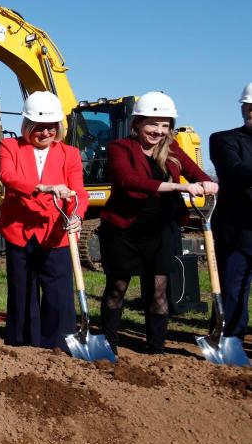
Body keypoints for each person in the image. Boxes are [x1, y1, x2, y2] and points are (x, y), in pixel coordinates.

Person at [99, 91, 217, 354]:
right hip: (124, 228)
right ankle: (109, 343)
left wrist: (208, 183)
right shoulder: (120, 148)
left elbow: (195, 172)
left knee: (159, 290)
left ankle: (156, 348)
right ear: (138, 123)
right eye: (153, 124)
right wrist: (176, 187)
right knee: (117, 287)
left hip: (160, 229)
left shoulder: (172, 149)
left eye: (165, 125)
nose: (159, 131)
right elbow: (129, 183)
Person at [0, 91, 87, 348]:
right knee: (22, 290)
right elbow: (8, 177)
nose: (45, 133)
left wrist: (77, 216)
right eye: (39, 127)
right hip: (19, 230)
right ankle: (23, 342)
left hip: (56, 232)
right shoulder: (10, 146)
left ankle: (59, 343)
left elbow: (78, 191)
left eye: (50, 128)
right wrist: (42, 187)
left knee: (59, 293)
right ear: (27, 125)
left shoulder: (70, 154)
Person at [209, 82, 252, 343]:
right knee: (234, 289)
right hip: (237, 230)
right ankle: (229, 339)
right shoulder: (224, 139)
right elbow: (234, 171)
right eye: (250, 108)